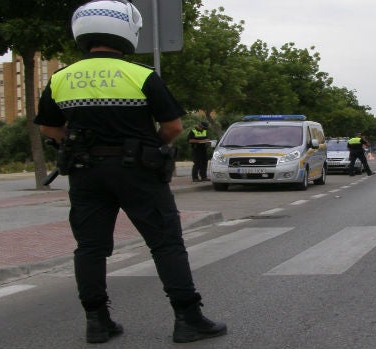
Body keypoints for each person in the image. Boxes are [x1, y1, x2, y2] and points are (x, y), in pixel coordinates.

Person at [33, 1, 226, 344]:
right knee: (166, 243)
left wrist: (78, 143)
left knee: (90, 248)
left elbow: (49, 128)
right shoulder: (141, 75)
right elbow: (173, 126)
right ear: (126, 31)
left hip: (85, 172)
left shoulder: (60, 78)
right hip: (139, 171)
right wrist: (146, 145)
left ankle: (97, 322)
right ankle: (188, 319)